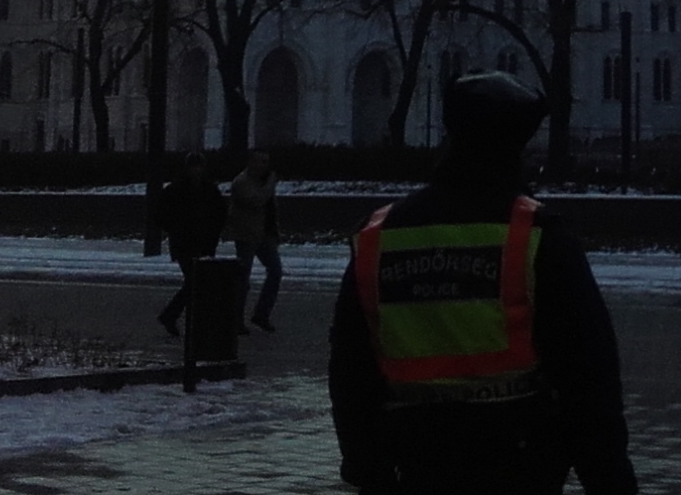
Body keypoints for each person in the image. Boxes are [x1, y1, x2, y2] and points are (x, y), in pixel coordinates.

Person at [329, 72, 639, 495]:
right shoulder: (537, 234)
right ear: (512, 147)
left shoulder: (378, 234)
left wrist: (365, 465)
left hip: (411, 462)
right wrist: (608, 478)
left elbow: (350, 369)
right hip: (518, 464)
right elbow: (587, 377)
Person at [153, 150, 230, 338]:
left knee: (195, 282)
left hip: (198, 242)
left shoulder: (198, 189)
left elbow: (220, 214)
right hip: (187, 243)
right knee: (197, 282)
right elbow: (162, 215)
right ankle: (179, 317)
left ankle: (175, 316)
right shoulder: (190, 189)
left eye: (198, 167)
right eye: (194, 167)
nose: (196, 171)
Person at [227, 147, 285, 333]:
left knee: (275, 271)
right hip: (247, 235)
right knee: (243, 279)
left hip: (264, 235)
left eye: (266, 162)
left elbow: (270, 209)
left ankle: (261, 313)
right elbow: (257, 201)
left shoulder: (262, 181)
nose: (264, 165)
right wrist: (270, 184)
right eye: (260, 161)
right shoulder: (242, 182)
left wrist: (275, 232)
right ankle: (236, 320)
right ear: (250, 162)